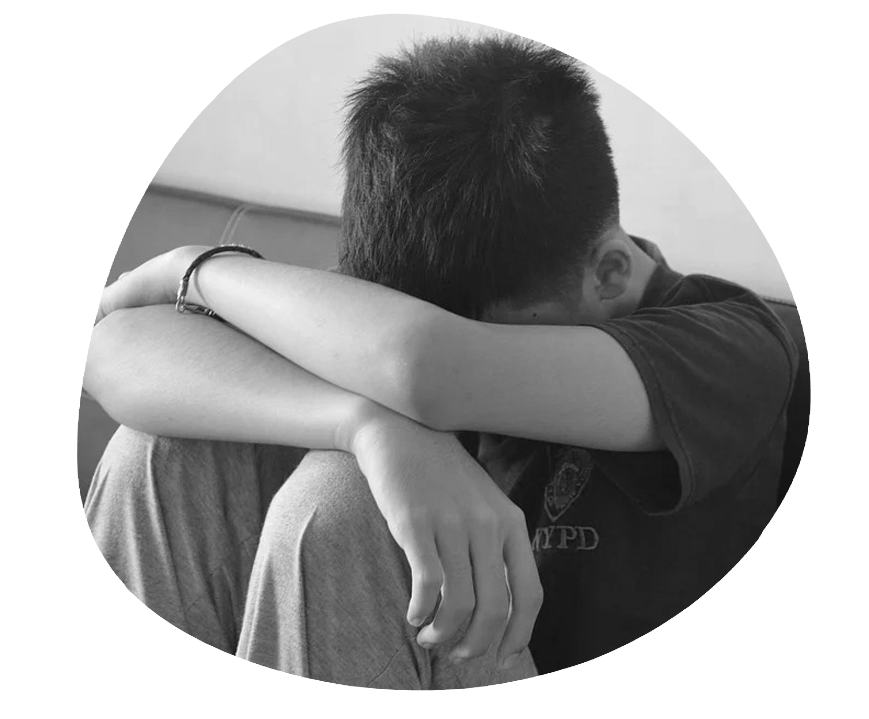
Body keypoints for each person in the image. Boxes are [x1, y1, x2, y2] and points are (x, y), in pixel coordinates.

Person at [84, 36, 798, 687]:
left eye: (484, 331)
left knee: (340, 506)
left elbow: (422, 365)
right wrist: (365, 424)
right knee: (166, 452)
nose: (391, 331)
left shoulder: (731, 346)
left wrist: (194, 267)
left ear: (609, 273)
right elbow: (109, 349)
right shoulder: (421, 280)